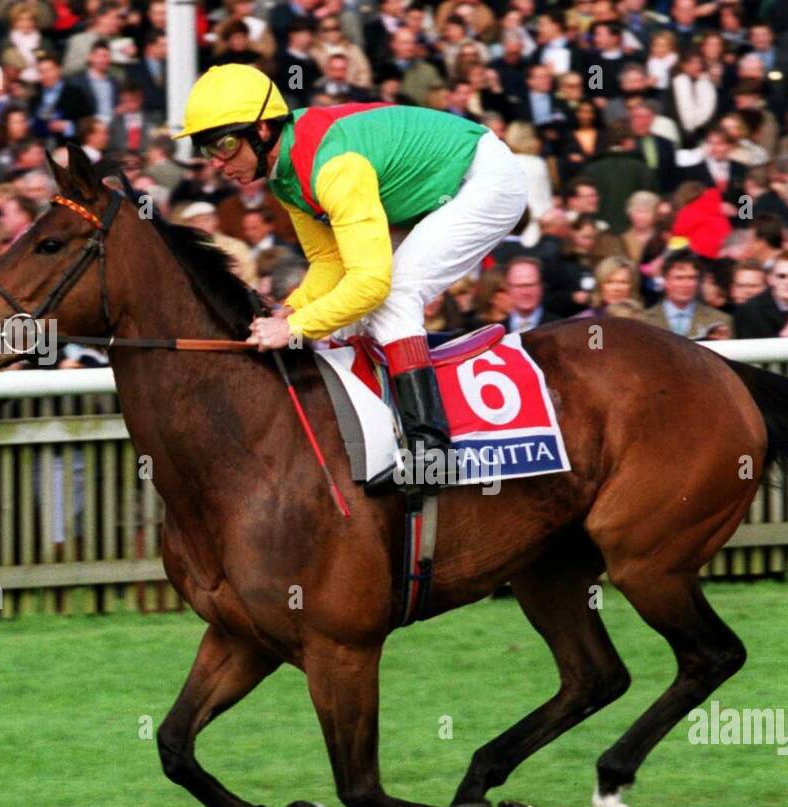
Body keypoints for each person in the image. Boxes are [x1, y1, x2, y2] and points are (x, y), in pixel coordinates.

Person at [174, 64, 526, 490]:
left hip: (486, 178)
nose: (216, 162)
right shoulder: (286, 178)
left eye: (224, 145)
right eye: (205, 149)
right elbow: (329, 262)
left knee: (393, 295)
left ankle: (432, 453)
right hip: (433, 190)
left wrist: (294, 329)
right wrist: (291, 309)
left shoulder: (332, 168)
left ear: (262, 130)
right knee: (351, 312)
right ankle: (381, 437)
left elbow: (370, 282)